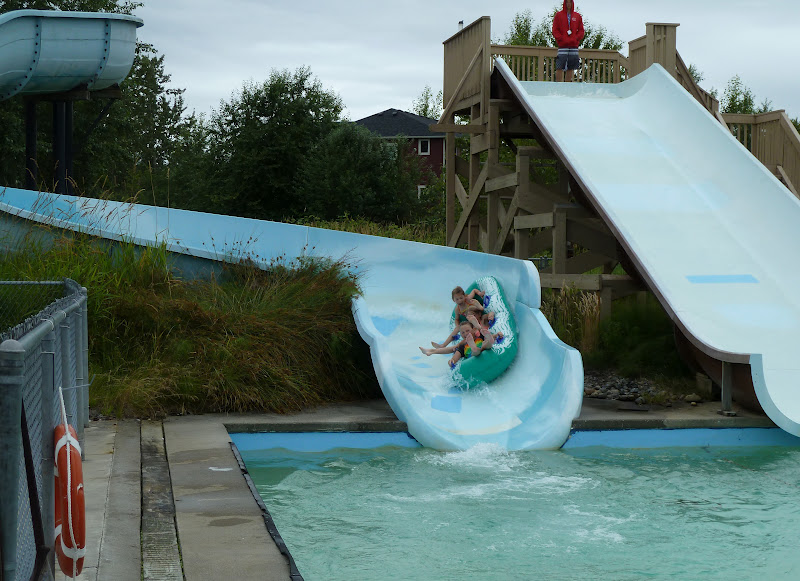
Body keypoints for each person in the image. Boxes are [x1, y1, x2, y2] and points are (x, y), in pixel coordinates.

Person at [420, 315, 504, 368]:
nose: (465, 333)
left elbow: (489, 336)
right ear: (460, 334)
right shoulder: (462, 346)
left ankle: (488, 340)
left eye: (467, 331)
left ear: (473, 329)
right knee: (476, 351)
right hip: (474, 354)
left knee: (486, 343)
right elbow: (455, 358)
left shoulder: (479, 336)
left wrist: (497, 335)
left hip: (483, 345)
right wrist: (451, 361)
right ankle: (475, 347)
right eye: (462, 332)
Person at [552, 0, 585, 82]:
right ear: (564, 3)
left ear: (572, 3)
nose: (568, 4)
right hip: (562, 46)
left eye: (570, 2)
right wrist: (561, 38)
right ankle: (559, 85)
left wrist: (576, 38)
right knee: (559, 66)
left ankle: (567, 86)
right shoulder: (558, 15)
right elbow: (555, 29)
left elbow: (581, 30)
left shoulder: (577, 16)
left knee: (571, 67)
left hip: (573, 46)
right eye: (567, 2)